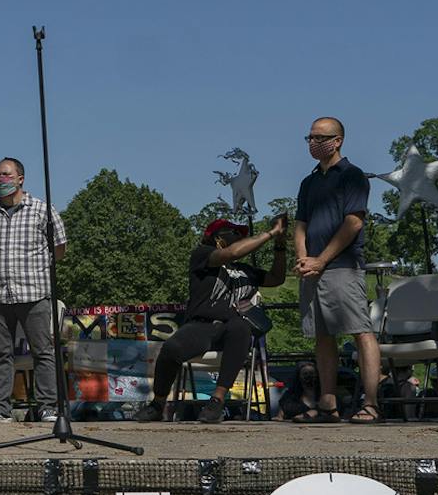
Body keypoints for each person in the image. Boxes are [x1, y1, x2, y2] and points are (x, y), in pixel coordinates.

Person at [138, 216, 287, 424]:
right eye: (234, 233)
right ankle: (158, 403)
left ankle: (217, 401)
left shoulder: (246, 270)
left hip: (232, 330)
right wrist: (270, 233)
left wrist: (280, 244)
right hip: (202, 325)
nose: (240, 237)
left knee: (241, 328)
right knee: (171, 349)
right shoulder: (203, 256)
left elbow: (277, 278)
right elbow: (232, 252)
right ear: (218, 237)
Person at [293, 117, 381, 423]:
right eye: (310, 137)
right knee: (322, 335)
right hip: (312, 270)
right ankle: (327, 403)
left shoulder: (353, 176)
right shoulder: (309, 182)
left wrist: (323, 259)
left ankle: (370, 403)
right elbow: (300, 223)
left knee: (360, 331)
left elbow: (353, 222)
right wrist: (304, 257)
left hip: (343, 266)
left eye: (320, 137)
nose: (313, 143)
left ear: (338, 140)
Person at [0, 157, 69, 424]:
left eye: (5, 175)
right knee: (2, 354)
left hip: (34, 293)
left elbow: (59, 249)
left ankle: (48, 407)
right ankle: (1, 409)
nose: (0, 180)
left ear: (20, 179)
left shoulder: (43, 210)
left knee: (43, 351)